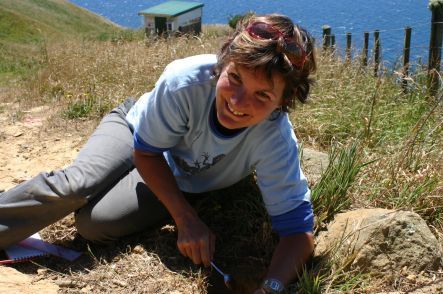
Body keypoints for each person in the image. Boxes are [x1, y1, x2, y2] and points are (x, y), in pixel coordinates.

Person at [0, 13, 316, 293]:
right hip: (135, 130)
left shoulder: (275, 137)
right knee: (78, 184)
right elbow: (146, 151)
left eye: (262, 95)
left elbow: (297, 231)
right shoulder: (184, 80)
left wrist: (272, 287)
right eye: (234, 78)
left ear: (283, 102)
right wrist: (185, 217)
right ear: (222, 64)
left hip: (181, 173)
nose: (238, 102)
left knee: (93, 226)